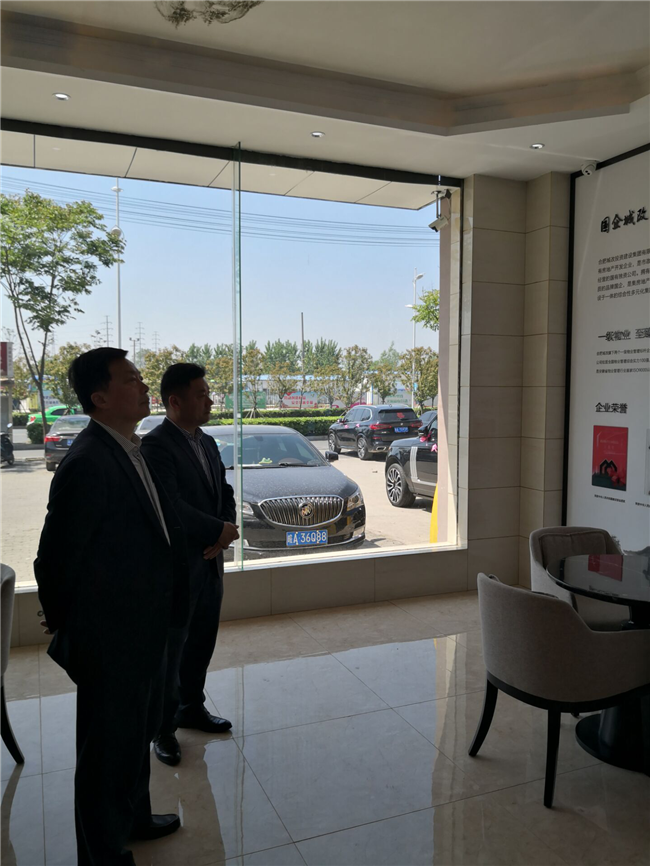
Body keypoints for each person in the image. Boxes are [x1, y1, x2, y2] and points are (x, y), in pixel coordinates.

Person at [34, 348, 189, 866]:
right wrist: (72, 627)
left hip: (146, 625)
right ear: (99, 398)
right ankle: (101, 855)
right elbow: (55, 559)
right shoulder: (87, 462)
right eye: (131, 380)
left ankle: (135, 817)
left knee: (134, 737)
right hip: (111, 638)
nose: (144, 387)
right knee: (104, 755)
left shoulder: (130, 447)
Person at [141, 363, 238, 766]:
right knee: (171, 652)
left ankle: (191, 709)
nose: (210, 401)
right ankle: (163, 730)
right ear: (175, 401)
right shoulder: (156, 446)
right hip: (179, 569)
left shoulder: (207, 441)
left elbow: (224, 490)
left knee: (201, 642)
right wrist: (217, 530)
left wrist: (225, 527)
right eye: (201, 395)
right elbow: (170, 506)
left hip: (210, 563)